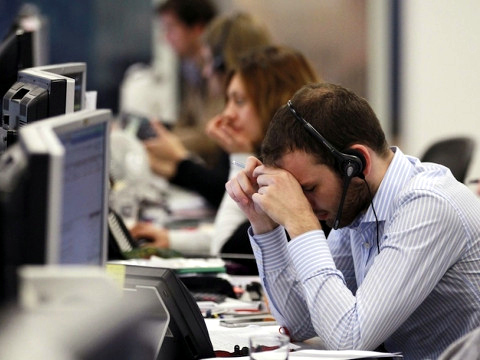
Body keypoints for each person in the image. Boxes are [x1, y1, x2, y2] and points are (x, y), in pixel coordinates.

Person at [225, 82, 480, 358]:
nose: (303, 203)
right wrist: (266, 224)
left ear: (357, 163)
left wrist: (302, 223)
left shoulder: (429, 205)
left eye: (308, 189)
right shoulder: (360, 202)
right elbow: (302, 324)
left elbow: (349, 339)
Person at [130, 45, 320, 268]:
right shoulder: (279, 164)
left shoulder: (296, 180)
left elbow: (227, 249)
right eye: (227, 101)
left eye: (239, 101)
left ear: (273, 103)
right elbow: (245, 234)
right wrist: (172, 240)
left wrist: (238, 155)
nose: (227, 114)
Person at [142, 12, 273, 209]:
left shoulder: (260, 125)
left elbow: (230, 195)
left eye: (209, 62)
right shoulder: (193, 81)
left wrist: (180, 161)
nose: (206, 72)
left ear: (227, 64)